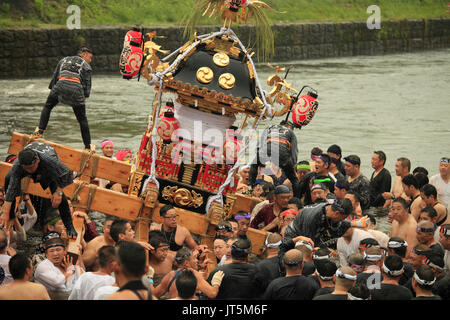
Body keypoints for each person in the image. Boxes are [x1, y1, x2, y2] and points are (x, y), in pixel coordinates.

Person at [1, 143, 77, 237]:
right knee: (9, 178)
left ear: (38, 160)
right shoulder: (18, 165)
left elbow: (66, 173)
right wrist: (6, 212)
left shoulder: (49, 161)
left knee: (60, 198)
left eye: (31, 168)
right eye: (26, 169)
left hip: (46, 170)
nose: (29, 171)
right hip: (28, 164)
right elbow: (11, 188)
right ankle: (12, 215)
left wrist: (59, 192)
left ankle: (69, 226)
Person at [33, 47, 94, 150]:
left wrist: (52, 90)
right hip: (76, 89)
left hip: (60, 85)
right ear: (83, 54)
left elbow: (55, 75)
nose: (90, 60)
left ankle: (40, 132)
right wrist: (86, 95)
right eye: (90, 57)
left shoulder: (63, 60)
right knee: (82, 119)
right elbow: (87, 82)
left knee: (48, 107)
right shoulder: (86, 65)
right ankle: (87, 146)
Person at [280, 198, 366, 256]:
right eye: (342, 218)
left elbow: (336, 230)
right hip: (294, 236)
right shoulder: (313, 217)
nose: (341, 221)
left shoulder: (329, 207)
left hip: (313, 234)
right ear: (336, 213)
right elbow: (310, 243)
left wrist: (355, 223)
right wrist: (326, 250)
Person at [248, 121, 300, 196]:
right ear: (290, 127)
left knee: (254, 164)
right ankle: (297, 199)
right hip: (281, 151)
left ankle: (249, 188)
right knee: (294, 179)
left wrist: (259, 159)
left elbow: (259, 144)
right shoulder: (290, 132)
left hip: (267, 147)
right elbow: (294, 151)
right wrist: (292, 165)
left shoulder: (269, 127)